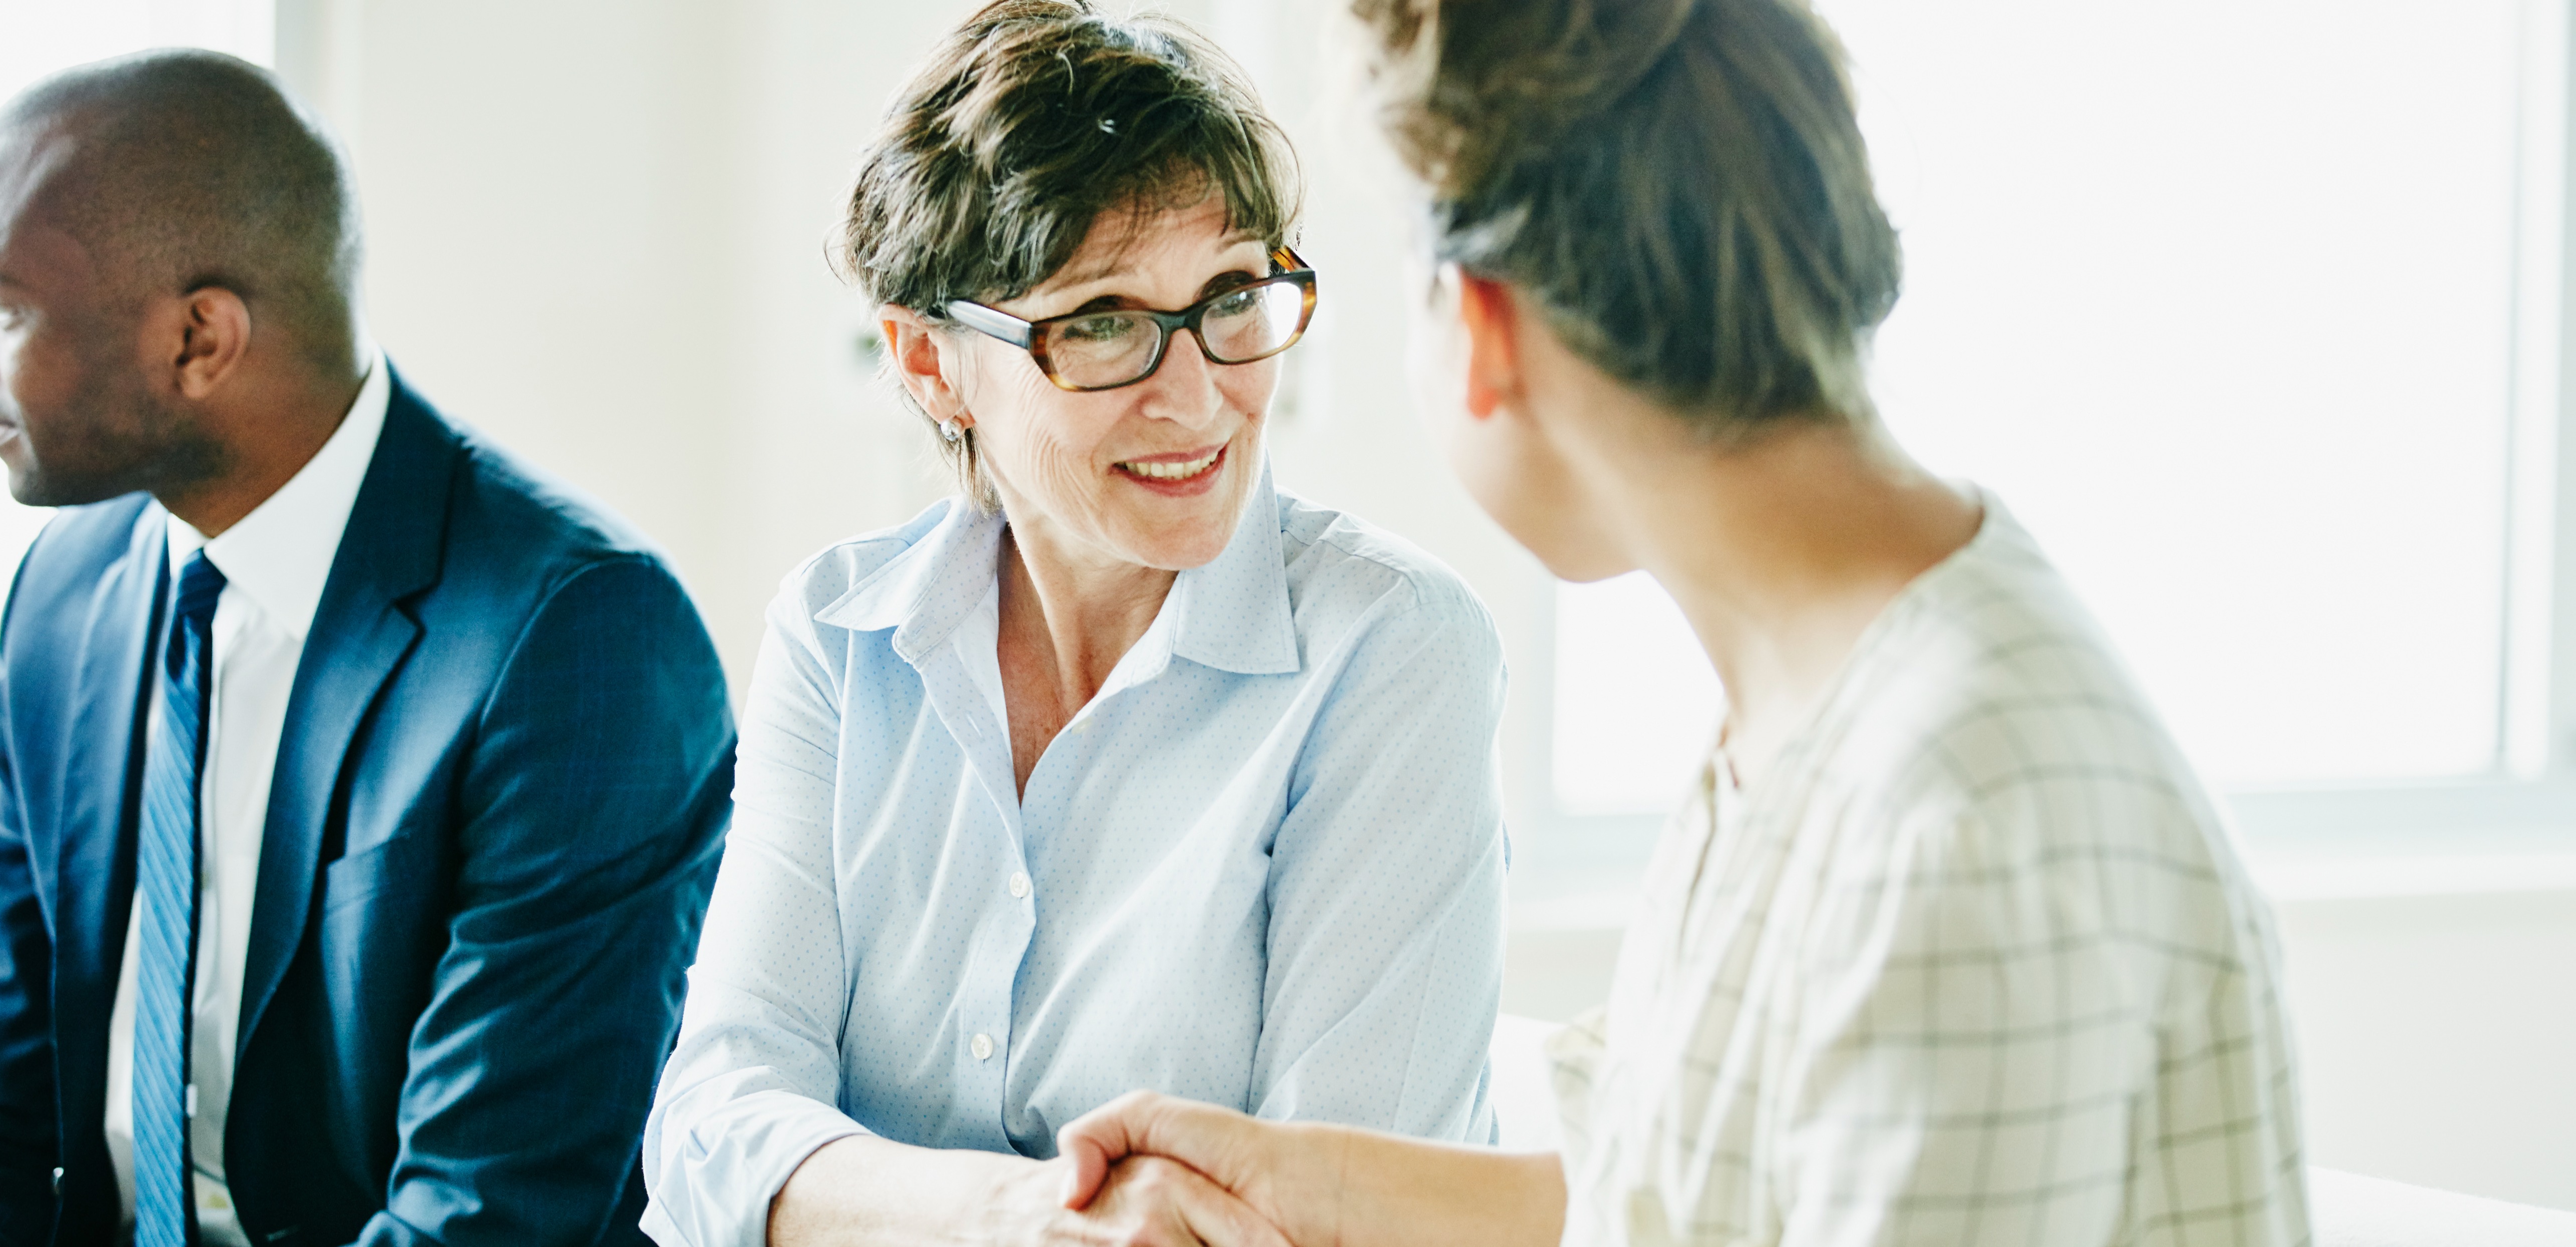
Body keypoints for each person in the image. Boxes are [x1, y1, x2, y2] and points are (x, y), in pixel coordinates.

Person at [1055, 0, 2312, 1243]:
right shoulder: (1824, 691)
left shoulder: (1957, 816)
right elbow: (1665, 1199)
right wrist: (1290, 1188)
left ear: (1482, 325)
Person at [638, 4, 1510, 1244]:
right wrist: (1018, 1213)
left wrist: (855, 1199)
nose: (1198, 394)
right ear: (931, 362)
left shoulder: (1391, 646)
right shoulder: (837, 633)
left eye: (1230, 295)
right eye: (1101, 321)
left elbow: (1329, 1214)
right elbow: (712, 1130)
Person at [0, 51, 736, 1247]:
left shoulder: (577, 640)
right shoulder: (65, 593)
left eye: (5, 306)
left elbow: (484, 1219)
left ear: (200, 341)